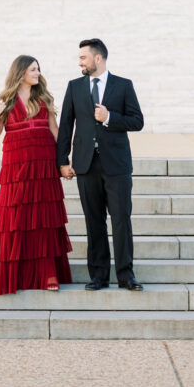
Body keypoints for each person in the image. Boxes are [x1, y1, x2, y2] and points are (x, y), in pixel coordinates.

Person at [56, 38, 144, 291]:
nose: (79, 62)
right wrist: (62, 161)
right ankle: (99, 276)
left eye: (83, 57)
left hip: (116, 166)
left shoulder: (123, 85)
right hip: (85, 165)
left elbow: (137, 121)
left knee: (121, 220)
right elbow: (65, 126)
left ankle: (126, 276)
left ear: (98, 58)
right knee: (93, 222)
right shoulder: (74, 87)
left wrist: (110, 118)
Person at [0, 55, 72, 294]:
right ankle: (15, 272)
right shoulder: (6, 100)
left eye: (38, 69)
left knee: (44, 219)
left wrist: (64, 161)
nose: (37, 73)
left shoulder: (43, 98)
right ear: (20, 72)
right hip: (17, 167)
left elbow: (56, 133)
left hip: (43, 165)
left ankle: (48, 272)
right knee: (16, 219)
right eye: (33, 69)